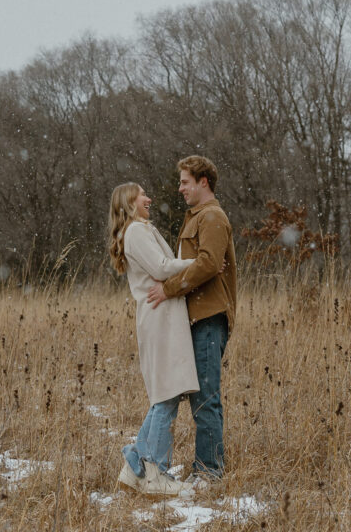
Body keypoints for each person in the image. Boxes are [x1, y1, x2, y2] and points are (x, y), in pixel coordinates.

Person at [147, 155, 236, 482]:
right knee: (197, 396)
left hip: (209, 318)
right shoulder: (197, 217)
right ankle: (202, 469)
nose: (180, 187)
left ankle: (210, 473)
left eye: (185, 181)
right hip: (197, 319)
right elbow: (200, 264)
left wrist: (169, 289)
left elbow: (209, 264)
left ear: (204, 182)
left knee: (206, 399)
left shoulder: (211, 217)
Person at [109, 182, 199, 499]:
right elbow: (162, 269)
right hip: (159, 317)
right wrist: (199, 263)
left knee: (166, 392)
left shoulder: (140, 229)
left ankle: (135, 465)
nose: (149, 198)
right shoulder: (135, 232)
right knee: (166, 393)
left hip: (163, 315)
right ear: (130, 202)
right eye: (142, 195)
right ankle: (154, 472)